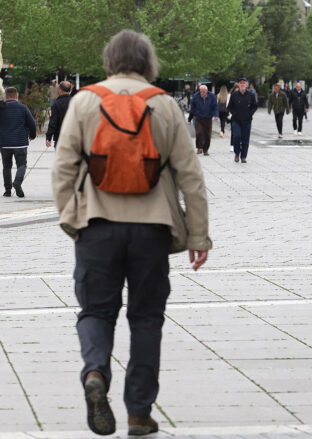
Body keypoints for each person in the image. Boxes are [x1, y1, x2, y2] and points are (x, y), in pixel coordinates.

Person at [51, 30, 211, 436]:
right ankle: (139, 412)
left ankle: (95, 373)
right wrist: (198, 236)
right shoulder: (165, 104)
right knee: (147, 318)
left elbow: (63, 168)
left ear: (109, 59)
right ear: (148, 62)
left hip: (97, 225)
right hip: (152, 229)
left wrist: (72, 217)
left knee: (95, 311)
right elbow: (190, 177)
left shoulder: (85, 101)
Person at [0, 87, 36, 198]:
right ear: (16, 96)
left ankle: (7, 191)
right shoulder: (23, 108)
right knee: (22, 165)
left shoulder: (1, 108)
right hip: (20, 143)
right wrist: (32, 135)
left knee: (6, 167)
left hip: (4, 143)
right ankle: (17, 182)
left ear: (6, 96)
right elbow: (32, 123)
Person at [228, 77, 258, 163]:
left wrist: (250, 114)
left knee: (245, 139)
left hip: (247, 121)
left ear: (247, 85)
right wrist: (234, 114)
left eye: (244, 83)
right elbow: (229, 107)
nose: (242, 84)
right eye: (241, 83)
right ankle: (237, 153)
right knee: (236, 136)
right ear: (238, 84)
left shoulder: (251, 95)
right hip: (236, 120)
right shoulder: (234, 95)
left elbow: (255, 106)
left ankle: (243, 156)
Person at [187, 85, 218, 155]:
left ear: (207, 91)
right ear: (200, 91)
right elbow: (192, 109)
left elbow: (215, 106)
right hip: (199, 118)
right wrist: (189, 119)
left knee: (207, 135)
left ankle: (205, 150)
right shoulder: (195, 96)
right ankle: (199, 147)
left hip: (208, 118)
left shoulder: (212, 96)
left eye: (204, 92)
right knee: (199, 133)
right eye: (202, 92)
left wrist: (216, 115)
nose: (203, 93)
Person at [46, 81, 73, 149]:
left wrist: (48, 137)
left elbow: (53, 122)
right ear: (70, 90)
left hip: (60, 137)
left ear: (60, 90)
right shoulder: (75, 102)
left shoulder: (56, 104)